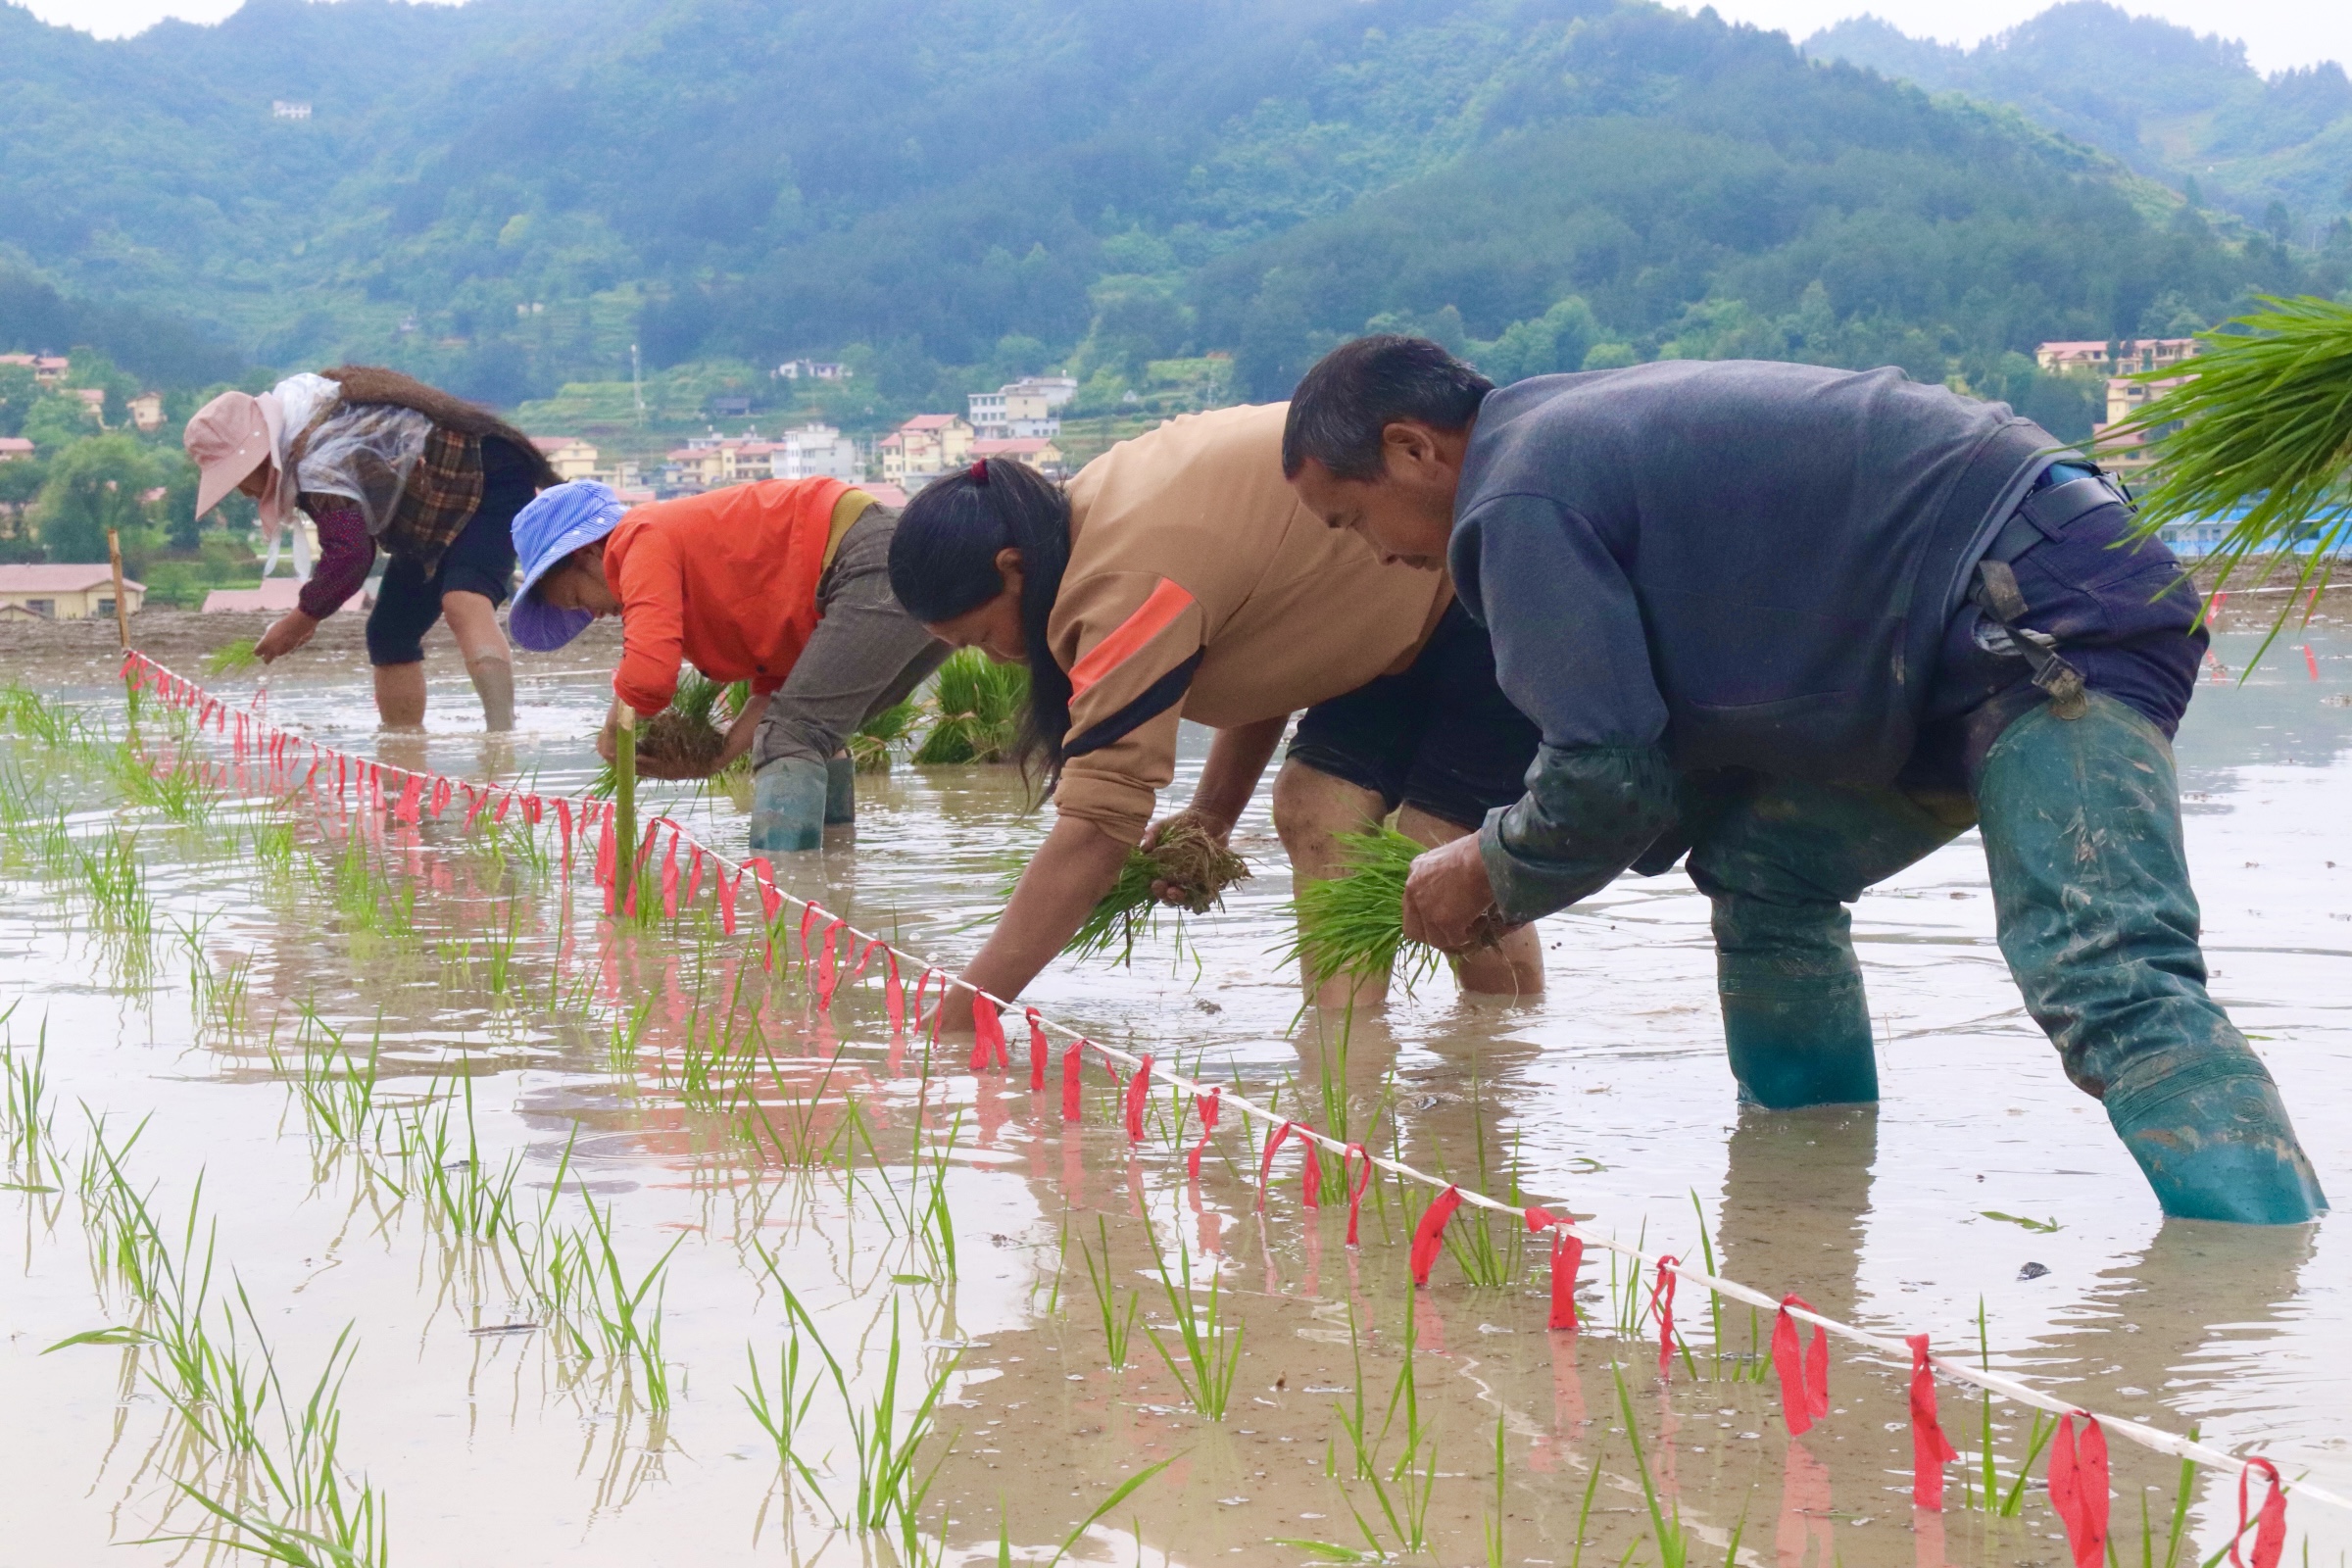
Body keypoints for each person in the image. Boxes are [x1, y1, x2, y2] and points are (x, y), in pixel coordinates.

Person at [1278, 334, 2328, 1225]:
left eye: (1351, 519)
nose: (1369, 552)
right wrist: (1528, 854)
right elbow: (1663, 764)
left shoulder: (1516, 497)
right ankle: (1807, 1204)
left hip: (2043, 609)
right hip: (1952, 638)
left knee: (2107, 970)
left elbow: (1604, 776)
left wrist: (1491, 870)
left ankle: (2263, 1297)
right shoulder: (1555, 443)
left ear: (1412, 448)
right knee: (1765, 867)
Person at [884, 405, 1545, 1014]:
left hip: (1469, 586)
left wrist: (966, 1013)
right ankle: (1344, 1055)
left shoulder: (1121, 577)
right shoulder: (1080, 527)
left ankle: (1502, 1057)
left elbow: (1096, 827)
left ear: (1011, 568)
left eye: (978, 637)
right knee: (1312, 807)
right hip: (1374, 619)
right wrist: (1210, 818)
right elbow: (1265, 640)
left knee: (1435, 852)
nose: (997, 659)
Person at [507, 475, 947, 851]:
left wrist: (612, 736)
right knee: (813, 734)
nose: (593, 614)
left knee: (793, 736)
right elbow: (778, 692)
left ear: (585, 553)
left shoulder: (638, 537)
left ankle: (783, 900)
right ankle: (832, 880)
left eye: (575, 598)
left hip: (872, 564)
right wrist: (715, 758)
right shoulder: (680, 552)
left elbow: (649, 677)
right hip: (908, 567)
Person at [182, 367, 557, 731]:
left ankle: (501, 742)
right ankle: (403, 752)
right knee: (389, 633)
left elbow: (350, 555)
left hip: (488, 476)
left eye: (238, 477)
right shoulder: (308, 433)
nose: (243, 490)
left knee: (463, 600)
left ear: (262, 456)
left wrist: (300, 620)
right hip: (430, 512)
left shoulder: (317, 460)